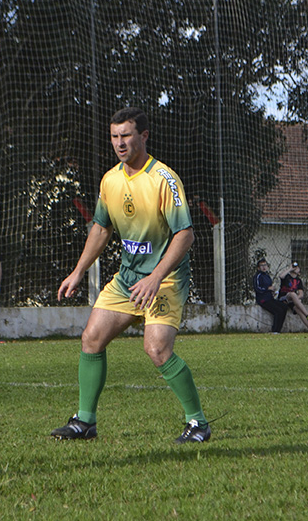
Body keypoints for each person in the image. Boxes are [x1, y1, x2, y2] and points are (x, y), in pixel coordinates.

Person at [51, 107, 211, 443]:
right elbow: (100, 228)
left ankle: (198, 423)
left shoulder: (163, 179)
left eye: (126, 135)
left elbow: (185, 235)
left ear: (143, 136)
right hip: (127, 279)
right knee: (91, 339)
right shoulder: (110, 180)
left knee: (157, 350)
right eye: (114, 136)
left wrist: (155, 277)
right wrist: (78, 271)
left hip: (164, 279)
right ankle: (85, 421)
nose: (120, 143)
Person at [279, 262, 308, 334]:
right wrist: (290, 269)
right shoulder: (287, 277)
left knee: (298, 309)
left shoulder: (299, 281)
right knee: (292, 294)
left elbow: (301, 294)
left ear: (299, 273)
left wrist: (296, 299)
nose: (296, 268)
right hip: (284, 297)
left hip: (292, 300)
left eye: (297, 267)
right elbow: (281, 276)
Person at [253, 258, 287, 333]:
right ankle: (275, 330)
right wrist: (267, 288)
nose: (264, 267)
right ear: (258, 268)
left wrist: (272, 291)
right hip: (263, 300)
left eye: (265, 265)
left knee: (284, 307)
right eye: (261, 266)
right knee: (278, 311)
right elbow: (257, 288)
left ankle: (278, 329)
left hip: (270, 298)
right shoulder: (258, 276)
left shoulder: (267, 276)